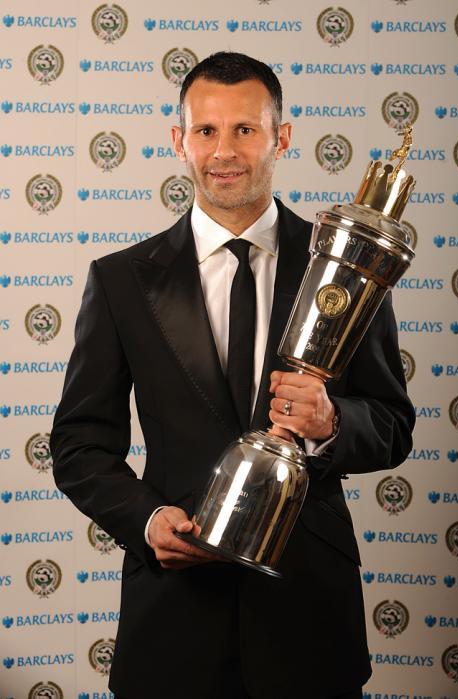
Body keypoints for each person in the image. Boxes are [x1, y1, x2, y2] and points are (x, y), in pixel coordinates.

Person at [51, 52, 415, 699]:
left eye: (245, 129)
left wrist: (333, 422)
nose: (224, 150)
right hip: (172, 612)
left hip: (308, 612)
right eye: (206, 130)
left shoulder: (351, 263)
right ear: (179, 140)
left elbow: (391, 424)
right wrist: (146, 518)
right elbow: (79, 445)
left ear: (281, 137)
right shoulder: (121, 280)